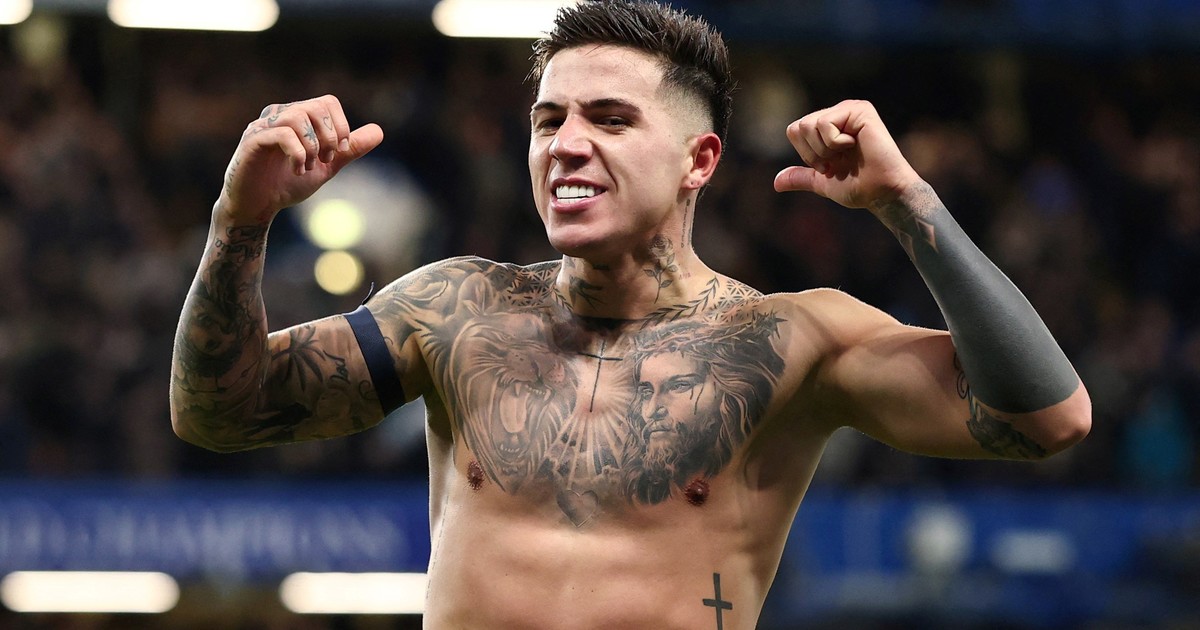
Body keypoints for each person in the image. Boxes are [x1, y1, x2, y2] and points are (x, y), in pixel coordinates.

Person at [169, 1, 1091, 627]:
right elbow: (219, 412)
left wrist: (906, 201)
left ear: (699, 160)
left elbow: (1047, 418)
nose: (566, 145)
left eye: (610, 119)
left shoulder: (789, 343)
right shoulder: (453, 311)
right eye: (549, 120)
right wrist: (239, 222)